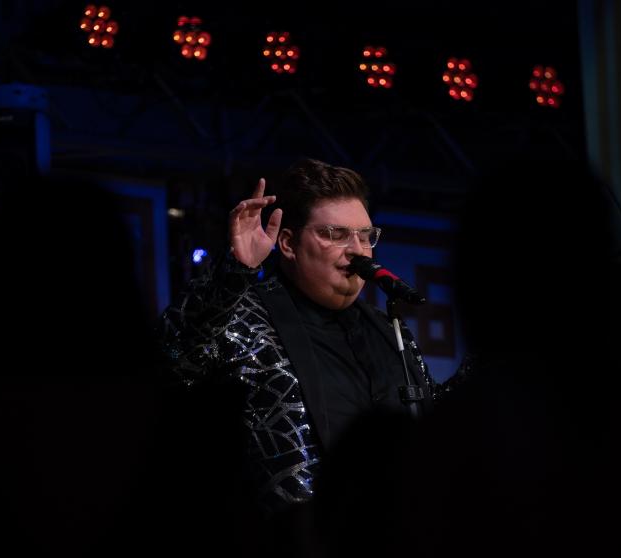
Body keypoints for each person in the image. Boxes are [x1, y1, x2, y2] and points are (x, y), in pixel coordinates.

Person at [160, 158, 464, 511]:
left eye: (365, 236)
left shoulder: (388, 330)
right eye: (335, 234)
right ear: (287, 243)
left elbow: (434, 430)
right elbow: (170, 363)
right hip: (287, 550)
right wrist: (235, 272)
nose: (356, 250)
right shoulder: (243, 319)